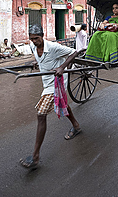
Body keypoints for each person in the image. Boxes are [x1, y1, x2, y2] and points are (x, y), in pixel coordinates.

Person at [20, 24, 82, 169]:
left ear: (42, 35)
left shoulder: (53, 47)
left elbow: (75, 52)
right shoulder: (33, 47)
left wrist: (62, 67)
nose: (34, 41)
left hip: (57, 82)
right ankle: (76, 126)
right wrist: (37, 62)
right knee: (63, 104)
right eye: (31, 39)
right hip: (47, 82)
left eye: (36, 38)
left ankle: (35, 157)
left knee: (41, 114)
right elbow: (41, 58)